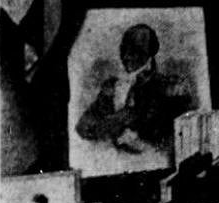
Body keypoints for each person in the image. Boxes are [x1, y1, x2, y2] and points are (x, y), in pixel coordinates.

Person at [75, 23, 192, 153]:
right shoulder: (111, 87)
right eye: (124, 51)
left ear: (150, 54)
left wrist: (141, 144)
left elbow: (177, 142)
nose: (126, 57)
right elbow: (83, 128)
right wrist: (116, 122)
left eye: (135, 52)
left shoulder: (169, 88)